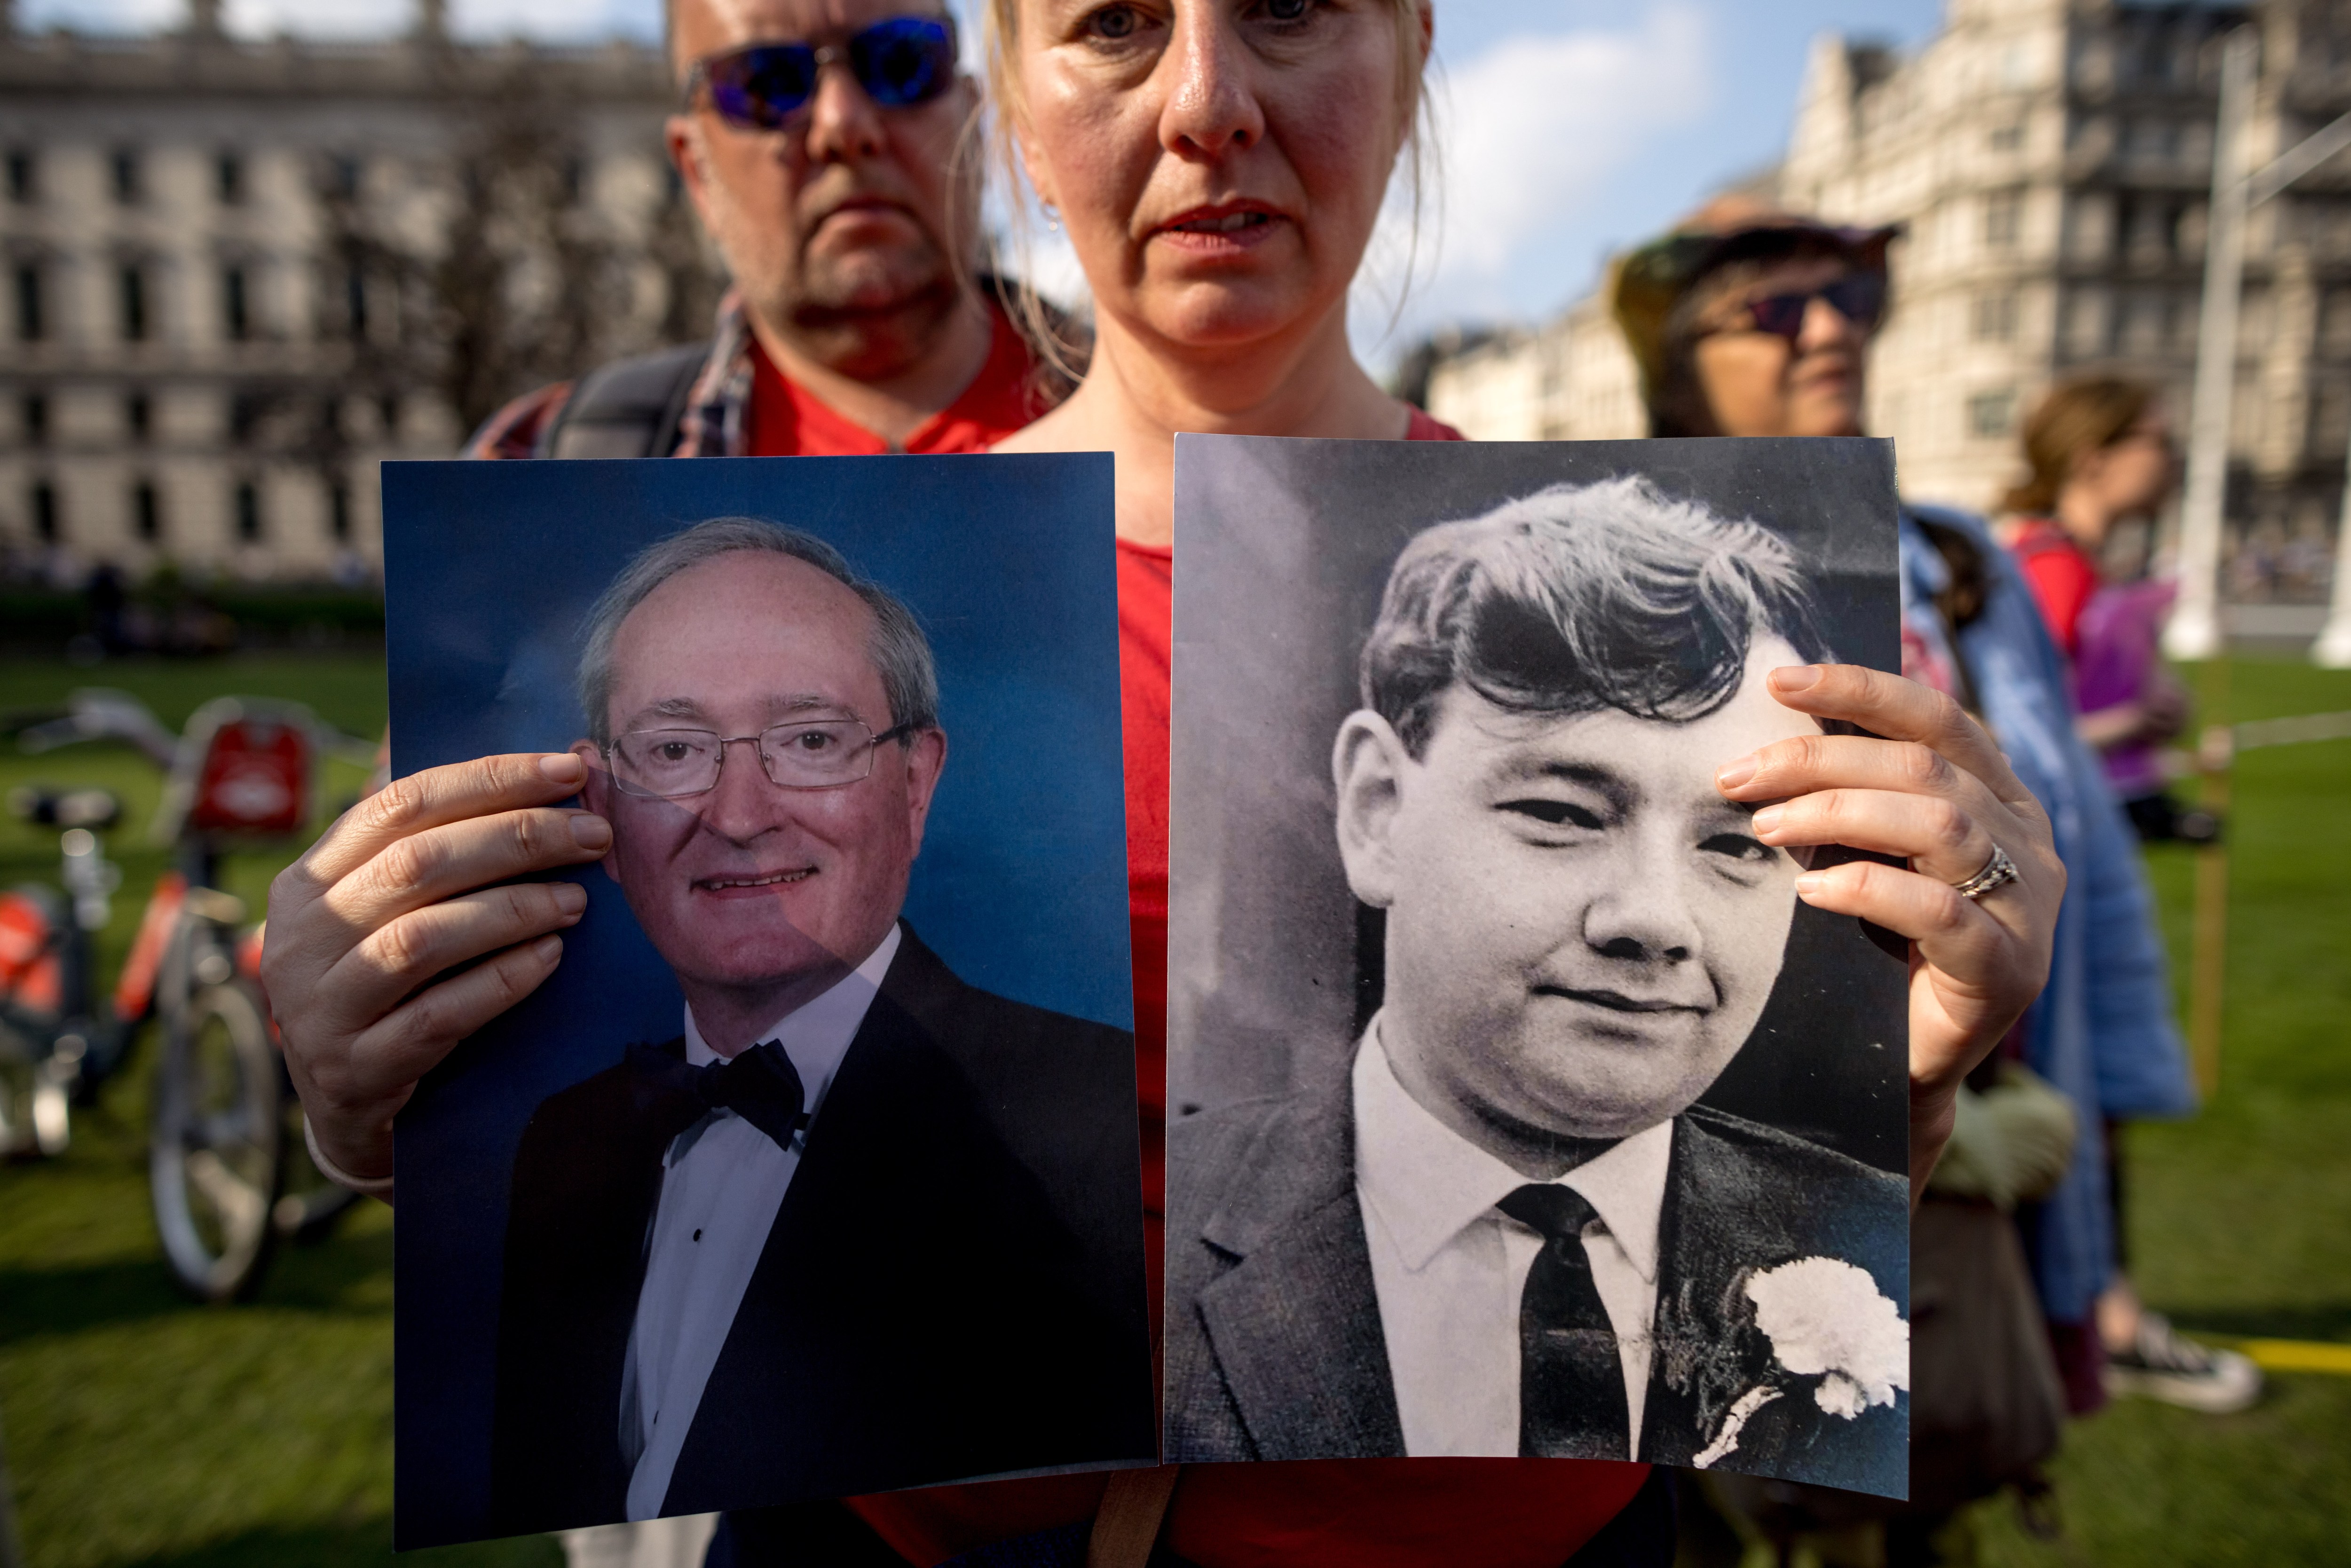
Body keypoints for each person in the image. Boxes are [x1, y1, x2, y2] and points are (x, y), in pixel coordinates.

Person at [263, 2, 2061, 1559]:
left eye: (1288, 6)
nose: (1207, 101)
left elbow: (1745, 1247)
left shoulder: (1666, 615)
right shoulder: (809, 618)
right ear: (1017, 110)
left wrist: (1903, 1068)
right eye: (1114, 21)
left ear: (1410, 51)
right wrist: (389, 1097)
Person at [1608, 199, 2204, 1538]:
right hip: (1716, 1118)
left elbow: (2077, 862)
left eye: (1853, 300)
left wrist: (2075, 1088)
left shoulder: (1958, 561)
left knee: (1937, 1453)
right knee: (1704, 1477)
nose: (1828, 331)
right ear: (1677, 355)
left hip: (1969, 1097)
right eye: (1773, 307)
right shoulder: (1623, 565)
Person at [1165, 481, 1939, 1498]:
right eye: (1564, 813)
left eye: (1736, 842)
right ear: (1376, 809)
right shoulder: (1148, 1232)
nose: (1655, 917)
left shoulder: (1864, 1229)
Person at [484, 520, 1149, 1534]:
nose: (740, 812)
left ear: (916, 783)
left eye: (808, 740)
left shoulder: (1084, 1112)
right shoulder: (568, 1138)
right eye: (673, 749)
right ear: (602, 803)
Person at [468, 0, 1063, 462]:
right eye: (766, 83)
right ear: (695, 169)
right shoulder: (535, 460)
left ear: (975, 121)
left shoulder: (1154, 422)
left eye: (901, 63)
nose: (842, 124)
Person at [1996, 378, 2216, 846]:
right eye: (2157, 441)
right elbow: (2018, 730)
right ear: (2092, 458)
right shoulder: (2053, 568)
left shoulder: (2075, 563)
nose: (2170, 459)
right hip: (2056, 828)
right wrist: (2134, 722)